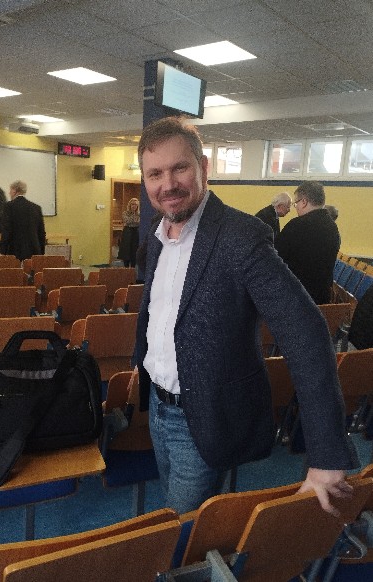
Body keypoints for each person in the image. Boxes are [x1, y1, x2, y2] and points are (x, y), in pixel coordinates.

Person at [135, 117, 356, 515]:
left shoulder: (240, 236)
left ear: (203, 167)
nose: (167, 184)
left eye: (179, 168)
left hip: (205, 414)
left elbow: (305, 331)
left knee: (182, 530)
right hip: (157, 405)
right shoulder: (157, 232)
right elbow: (159, 311)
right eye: (155, 174)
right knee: (172, 512)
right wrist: (146, 363)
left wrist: (325, 452)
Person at [275, 181, 340, 305]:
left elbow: (276, 257)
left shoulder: (296, 225)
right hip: (321, 299)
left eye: (296, 203)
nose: (296, 208)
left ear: (304, 202)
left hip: (294, 297)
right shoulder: (333, 227)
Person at [0, 180, 46, 261]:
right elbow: (41, 233)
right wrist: (41, 252)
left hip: (14, 250)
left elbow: (6, 230)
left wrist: (2, 251)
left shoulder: (8, 206)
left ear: (14, 191)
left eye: (10, 190)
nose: (9, 193)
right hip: (34, 250)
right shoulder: (36, 208)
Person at [118, 197, 140, 267]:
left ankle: (133, 267)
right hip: (127, 232)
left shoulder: (139, 214)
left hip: (136, 232)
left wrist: (135, 219)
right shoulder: (125, 213)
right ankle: (126, 267)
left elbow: (139, 222)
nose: (134, 206)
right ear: (129, 205)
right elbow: (127, 221)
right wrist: (133, 216)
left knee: (134, 250)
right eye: (132, 204)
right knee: (126, 250)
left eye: (135, 204)